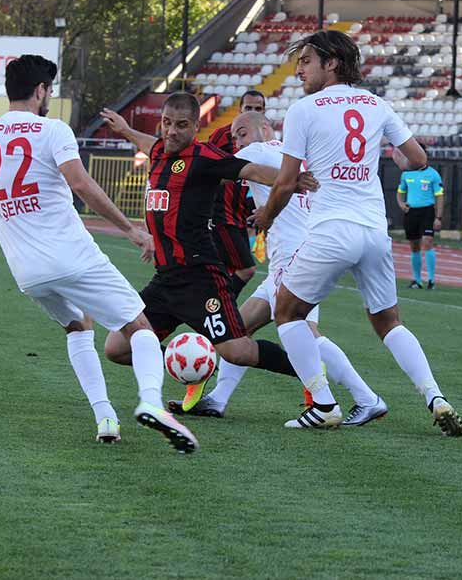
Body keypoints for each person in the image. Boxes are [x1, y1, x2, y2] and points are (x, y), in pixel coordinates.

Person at [0, 55, 199, 453]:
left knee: (78, 327)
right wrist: (130, 229)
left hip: (27, 272)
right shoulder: (52, 130)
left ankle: (105, 416)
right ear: (41, 91)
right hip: (72, 256)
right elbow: (80, 183)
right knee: (139, 327)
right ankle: (150, 401)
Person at [252, 29, 462, 435]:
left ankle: (324, 405)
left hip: (332, 227)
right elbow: (418, 158)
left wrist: (266, 217)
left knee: (287, 312)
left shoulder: (304, 109)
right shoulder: (377, 104)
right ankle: (434, 396)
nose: (299, 70)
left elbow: (284, 182)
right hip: (374, 229)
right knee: (389, 322)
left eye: (307, 61)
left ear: (332, 63)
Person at [99, 92, 314, 411]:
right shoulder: (159, 150)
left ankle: (310, 373)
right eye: (166, 123)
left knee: (237, 351)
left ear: (195, 126)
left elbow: (251, 170)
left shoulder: (204, 157)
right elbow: (149, 143)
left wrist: (290, 181)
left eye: (181, 125)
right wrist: (126, 130)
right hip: (165, 281)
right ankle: (190, 358)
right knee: (117, 347)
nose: (172, 131)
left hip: (201, 279)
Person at [172, 110, 388, 426]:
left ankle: (366, 399)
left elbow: (209, 164)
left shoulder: (260, 151)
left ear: (265, 129)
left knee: (308, 335)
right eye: (234, 137)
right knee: (238, 330)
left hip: (294, 259)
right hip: (292, 257)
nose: (238, 141)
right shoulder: (295, 158)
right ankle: (217, 400)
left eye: (242, 133)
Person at [206, 90, 266, 298]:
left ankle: (217, 311)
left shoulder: (265, 140)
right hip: (222, 214)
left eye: (257, 109)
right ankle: (217, 308)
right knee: (246, 269)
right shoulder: (223, 136)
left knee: (226, 270)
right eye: (248, 107)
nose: (252, 112)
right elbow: (207, 167)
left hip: (241, 214)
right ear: (239, 109)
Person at [396, 163, 444, 289]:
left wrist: (438, 217)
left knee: (427, 241)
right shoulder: (406, 173)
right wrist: (401, 204)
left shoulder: (433, 174)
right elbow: (400, 191)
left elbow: (439, 196)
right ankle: (417, 281)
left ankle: (431, 280)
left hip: (427, 211)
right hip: (411, 212)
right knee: (414, 246)